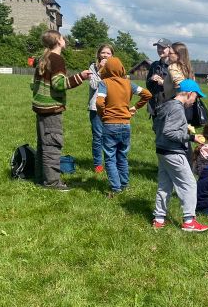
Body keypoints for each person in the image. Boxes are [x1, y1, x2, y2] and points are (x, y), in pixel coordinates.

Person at [31, 30, 90, 191]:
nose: (65, 40)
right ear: (58, 41)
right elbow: (58, 84)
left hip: (40, 107)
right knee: (52, 144)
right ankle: (52, 183)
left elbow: (33, 84)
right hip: (51, 109)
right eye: (63, 38)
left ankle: (40, 179)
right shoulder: (57, 59)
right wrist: (80, 77)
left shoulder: (43, 58)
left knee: (43, 145)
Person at [151, 79, 208, 232]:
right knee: (189, 184)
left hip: (162, 150)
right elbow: (169, 132)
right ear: (189, 93)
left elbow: (157, 127)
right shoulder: (177, 109)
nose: (195, 100)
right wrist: (191, 137)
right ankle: (189, 221)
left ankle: (159, 219)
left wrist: (183, 129)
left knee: (165, 185)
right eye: (196, 96)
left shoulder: (167, 105)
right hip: (173, 152)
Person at [95, 57, 152, 196]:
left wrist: (103, 115)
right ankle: (124, 184)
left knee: (110, 157)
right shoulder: (128, 83)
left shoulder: (104, 83)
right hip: (125, 124)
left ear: (107, 69)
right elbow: (147, 94)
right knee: (122, 156)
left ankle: (116, 188)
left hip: (110, 124)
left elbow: (99, 102)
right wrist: (134, 107)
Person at [88, 44, 113, 173]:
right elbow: (93, 85)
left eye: (108, 53)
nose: (105, 55)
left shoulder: (115, 68)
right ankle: (98, 164)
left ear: (112, 55)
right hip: (96, 107)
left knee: (111, 136)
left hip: (112, 106)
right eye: (103, 52)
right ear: (99, 54)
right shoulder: (93, 67)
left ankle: (110, 163)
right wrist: (100, 70)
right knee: (98, 136)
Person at [146, 38, 172, 117]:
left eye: (163, 48)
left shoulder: (174, 66)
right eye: (158, 47)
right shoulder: (154, 65)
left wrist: (164, 83)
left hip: (170, 106)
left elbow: (179, 87)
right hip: (155, 105)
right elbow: (148, 85)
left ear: (170, 49)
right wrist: (151, 79)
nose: (160, 50)